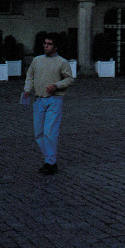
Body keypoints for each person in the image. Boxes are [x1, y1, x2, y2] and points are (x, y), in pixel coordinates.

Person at [22, 35, 74, 175]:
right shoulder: (37, 60)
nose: (46, 46)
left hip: (54, 99)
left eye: (49, 44)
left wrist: (57, 85)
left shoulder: (62, 62)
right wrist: (27, 90)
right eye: (45, 43)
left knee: (50, 132)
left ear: (55, 47)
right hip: (38, 100)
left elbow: (69, 79)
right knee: (39, 133)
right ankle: (48, 159)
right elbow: (30, 76)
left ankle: (50, 162)